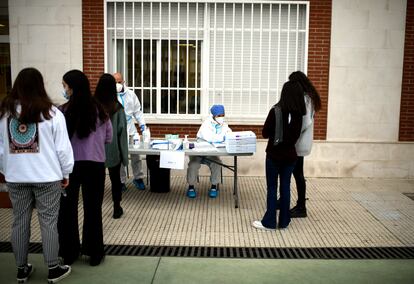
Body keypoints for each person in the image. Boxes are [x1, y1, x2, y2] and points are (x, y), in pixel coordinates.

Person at [0, 68, 74, 283]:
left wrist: (7, 170)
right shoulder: (52, 113)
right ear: (40, 85)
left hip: (16, 177)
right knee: (49, 222)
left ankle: (21, 269)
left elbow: (2, 148)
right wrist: (65, 172)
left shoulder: (5, 113)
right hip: (47, 176)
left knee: (19, 222)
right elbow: (62, 148)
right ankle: (53, 267)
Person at [57, 70, 112, 267]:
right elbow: (108, 138)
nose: (63, 89)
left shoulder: (61, 112)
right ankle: (95, 252)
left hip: (69, 167)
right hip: (95, 165)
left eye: (64, 86)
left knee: (67, 209)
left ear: (72, 88)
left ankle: (69, 251)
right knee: (93, 209)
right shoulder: (100, 110)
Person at [253, 81, 306, 230]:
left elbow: (264, 133)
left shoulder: (275, 111)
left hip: (274, 156)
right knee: (285, 188)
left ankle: (269, 222)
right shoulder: (299, 115)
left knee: (272, 188)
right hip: (290, 156)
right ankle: (284, 221)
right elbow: (295, 136)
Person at [288, 71, 322, 218]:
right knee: (295, 173)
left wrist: (291, 138)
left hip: (298, 143)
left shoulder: (305, 100)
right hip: (300, 142)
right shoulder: (307, 98)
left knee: (297, 174)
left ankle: (301, 206)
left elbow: (303, 123)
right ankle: (290, 202)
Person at [95, 74, 129, 219]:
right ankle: (116, 208)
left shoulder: (92, 106)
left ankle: (96, 209)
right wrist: (124, 157)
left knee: (97, 183)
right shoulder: (117, 108)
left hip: (94, 152)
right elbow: (122, 133)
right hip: (113, 150)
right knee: (116, 181)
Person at [186, 104, 231, 198]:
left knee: (217, 163)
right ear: (213, 116)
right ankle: (191, 187)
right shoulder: (206, 124)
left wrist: (225, 137)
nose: (221, 117)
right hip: (200, 152)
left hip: (211, 153)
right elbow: (210, 137)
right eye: (219, 116)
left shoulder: (224, 125)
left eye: (223, 115)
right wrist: (221, 137)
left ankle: (214, 186)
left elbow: (229, 135)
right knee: (193, 165)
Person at [113, 72, 146, 191]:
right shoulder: (110, 95)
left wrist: (142, 125)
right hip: (117, 130)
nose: (117, 84)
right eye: (114, 82)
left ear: (123, 82)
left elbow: (137, 111)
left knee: (136, 155)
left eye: (119, 82)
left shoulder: (131, 94)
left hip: (131, 129)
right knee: (120, 157)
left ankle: (138, 177)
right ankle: (121, 181)